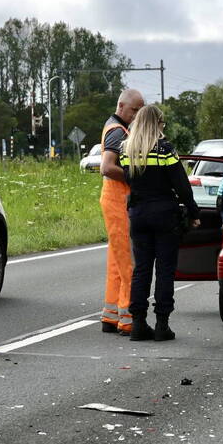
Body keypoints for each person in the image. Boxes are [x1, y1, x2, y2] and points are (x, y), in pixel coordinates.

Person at [117, 105, 201, 341]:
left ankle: (138, 324)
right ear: (157, 123)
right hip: (165, 215)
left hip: (138, 215)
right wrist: (194, 213)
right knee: (164, 270)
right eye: (162, 123)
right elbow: (182, 186)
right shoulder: (165, 150)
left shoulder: (127, 150)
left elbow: (130, 181)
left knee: (141, 270)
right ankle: (162, 324)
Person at [98, 89, 144, 335]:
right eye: (135, 110)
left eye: (140, 111)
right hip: (119, 201)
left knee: (117, 262)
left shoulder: (117, 128)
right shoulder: (117, 132)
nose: (137, 115)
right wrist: (135, 176)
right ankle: (128, 319)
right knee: (130, 262)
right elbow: (107, 167)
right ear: (122, 106)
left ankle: (112, 315)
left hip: (115, 200)